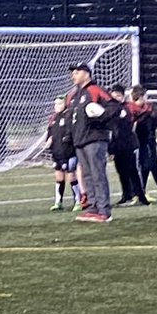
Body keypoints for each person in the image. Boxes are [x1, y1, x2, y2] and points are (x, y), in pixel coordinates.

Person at [65, 62, 118, 224]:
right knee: (87, 176)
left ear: (86, 74)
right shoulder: (73, 96)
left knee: (97, 174)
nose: (73, 75)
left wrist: (100, 117)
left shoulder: (95, 90)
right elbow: (71, 119)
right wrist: (69, 137)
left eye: (77, 72)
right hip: (80, 140)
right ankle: (93, 207)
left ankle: (104, 210)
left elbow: (114, 107)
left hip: (95, 139)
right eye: (73, 73)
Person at [109, 84, 150, 206]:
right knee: (121, 171)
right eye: (113, 96)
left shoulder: (128, 107)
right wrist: (111, 148)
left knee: (132, 171)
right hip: (117, 145)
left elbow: (143, 113)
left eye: (117, 96)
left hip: (128, 144)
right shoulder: (111, 109)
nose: (115, 98)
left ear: (122, 96)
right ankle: (126, 195)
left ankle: (140, 196)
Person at [129, 84, 157, 200]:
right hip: (137, 141)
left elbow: (156, 122)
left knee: (150, 165)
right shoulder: (132, 109)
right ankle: (140, 191)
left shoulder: (150, 109)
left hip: (148, 140)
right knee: (142, 165)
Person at [45, 95, 81, 211]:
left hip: (69, 152)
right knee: (59, 177)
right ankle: (58, 202)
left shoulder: (69, 116)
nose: (57, 106)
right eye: (55, 104)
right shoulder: (53, 118)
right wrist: (49, 140)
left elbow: (73, 132)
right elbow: (50, 133)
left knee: (71, 177)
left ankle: (78, 201)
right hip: (57, 152)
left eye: (59, 103)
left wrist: (68, 138)